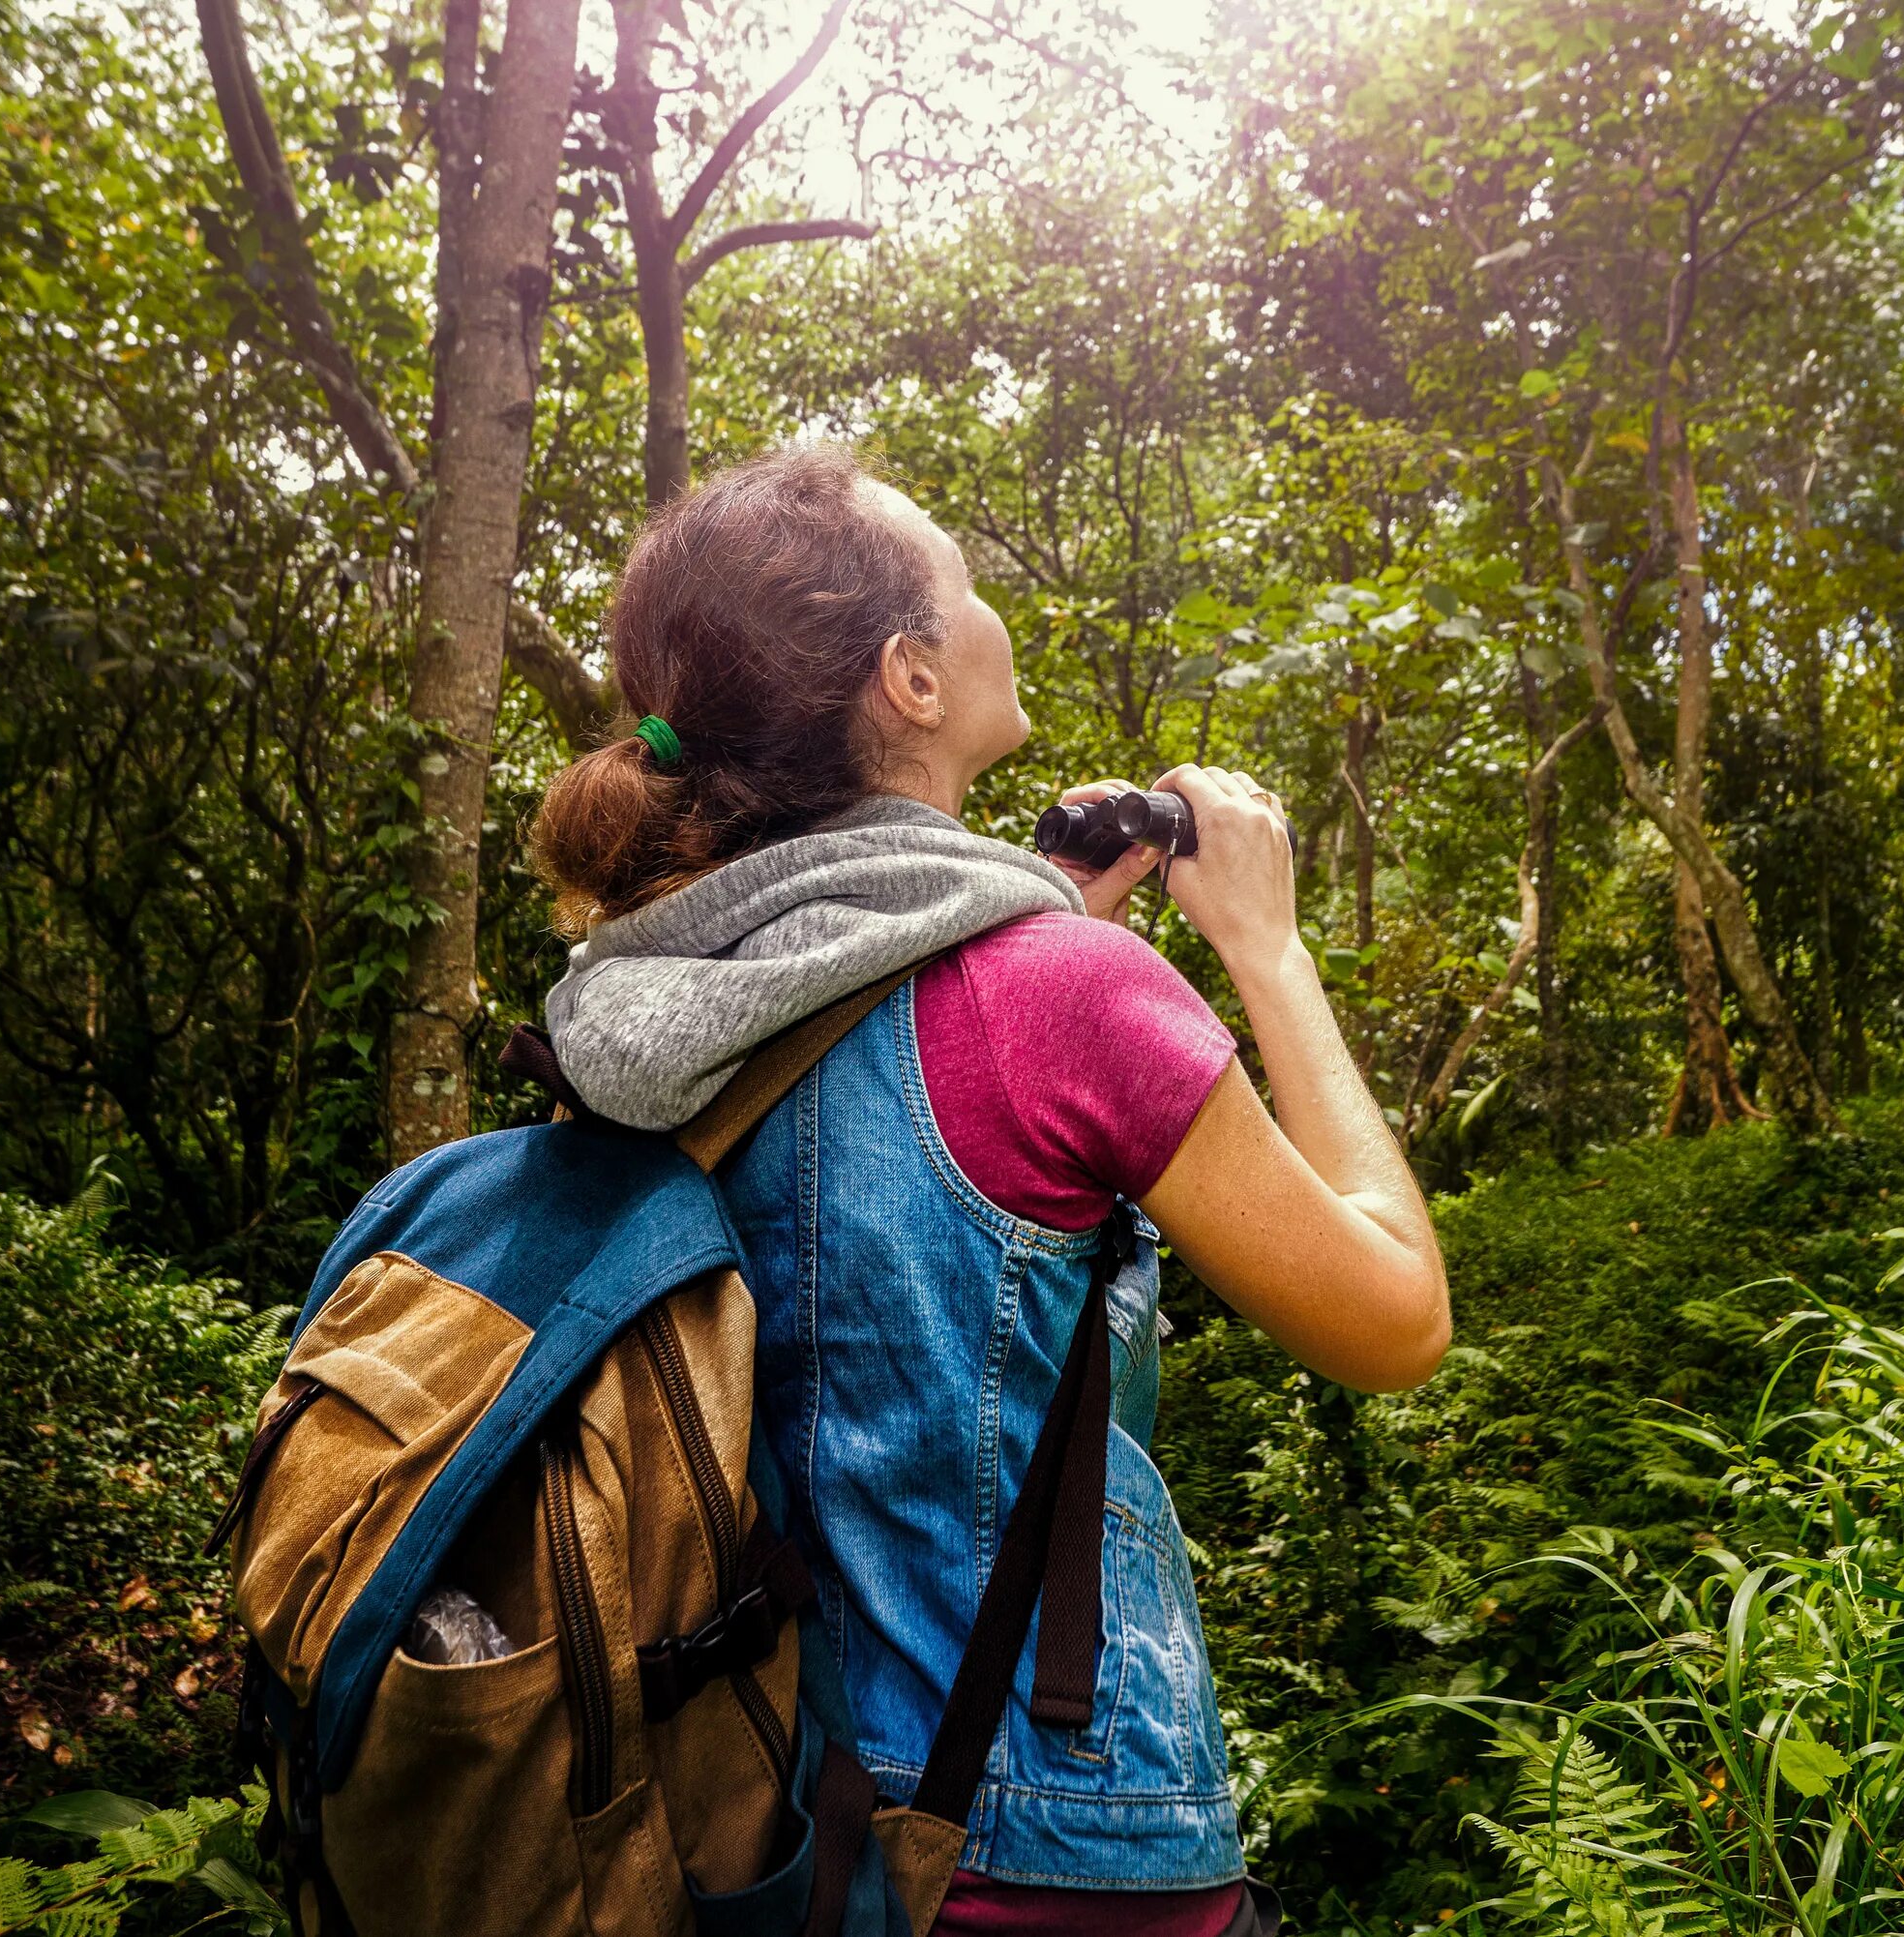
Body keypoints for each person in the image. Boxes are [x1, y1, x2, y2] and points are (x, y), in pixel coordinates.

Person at [526, 444, 1449, 1937]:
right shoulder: (1064, 1000)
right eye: (960, 583)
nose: (985, 606)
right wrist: (1266, 950)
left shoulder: (641, 1001)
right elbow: (1396, 1319)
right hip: (1043, 1861)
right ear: (911, 677)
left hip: (756, 1839)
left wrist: (1033, 924)